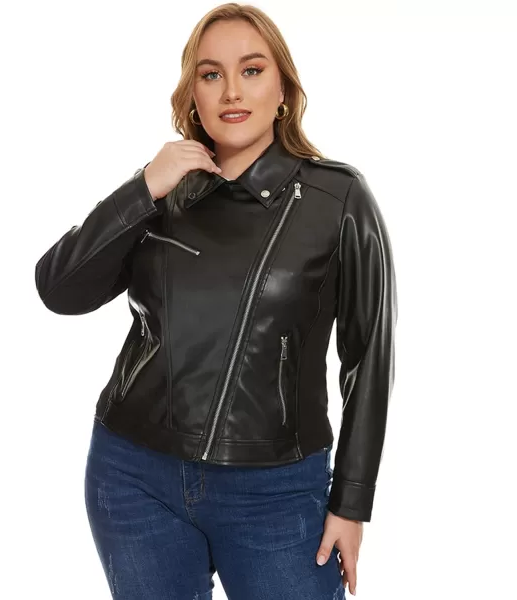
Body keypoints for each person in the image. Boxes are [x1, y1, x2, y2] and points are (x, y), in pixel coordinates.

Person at [34, 3, 397, 599]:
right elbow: (59, 289)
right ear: (192, 95)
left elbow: (369, 357)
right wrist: (142, 188)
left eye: (251, 70)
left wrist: (352, 502)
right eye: (211, 74)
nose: (232, 90)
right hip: (133, 476)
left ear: (283, 89)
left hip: (276, 493)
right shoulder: (164, 190)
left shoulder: (338, 198)